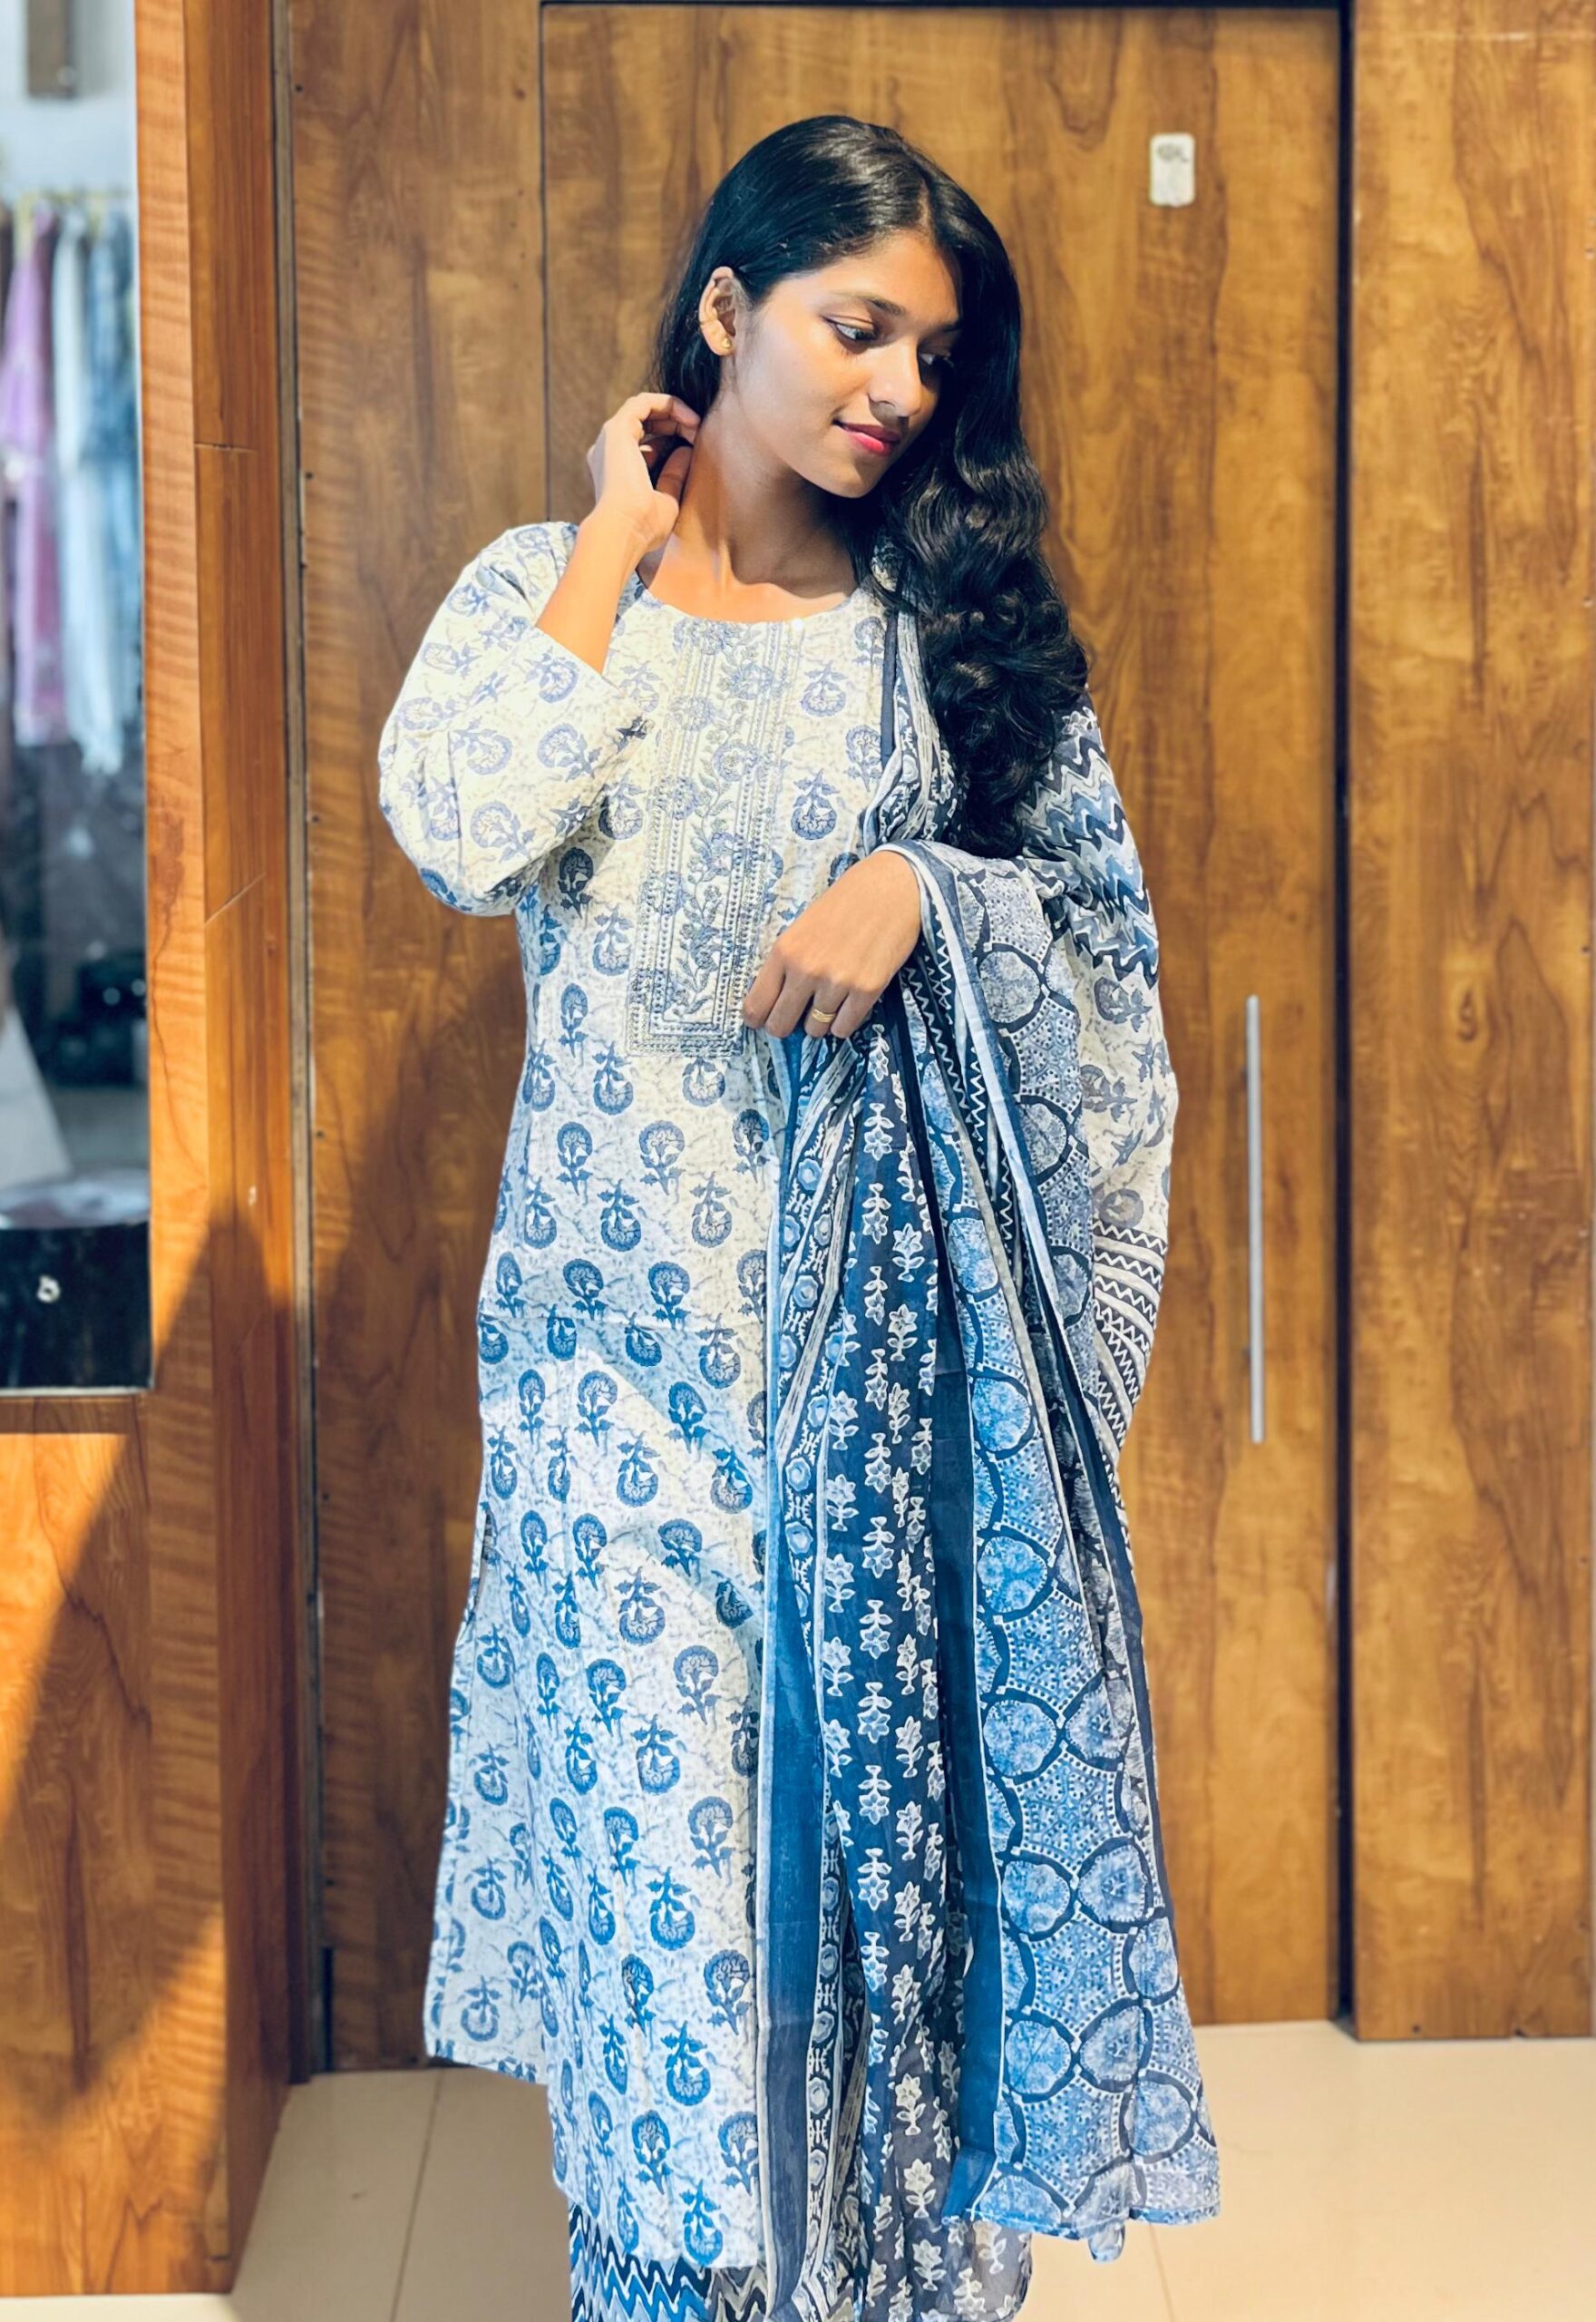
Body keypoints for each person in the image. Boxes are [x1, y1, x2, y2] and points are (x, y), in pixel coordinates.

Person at [377, 113, 1220, 2322]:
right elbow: (460, 826)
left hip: (886, 1413)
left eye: (935, 355)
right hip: (612, 1396)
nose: (900, 391)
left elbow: (1104, 970)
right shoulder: (545, 593)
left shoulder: (954, 637)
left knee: (875, 1934)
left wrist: (927, 887)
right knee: (670, 1946)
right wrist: (607, 536)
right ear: (728, 309)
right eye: (860, 329)